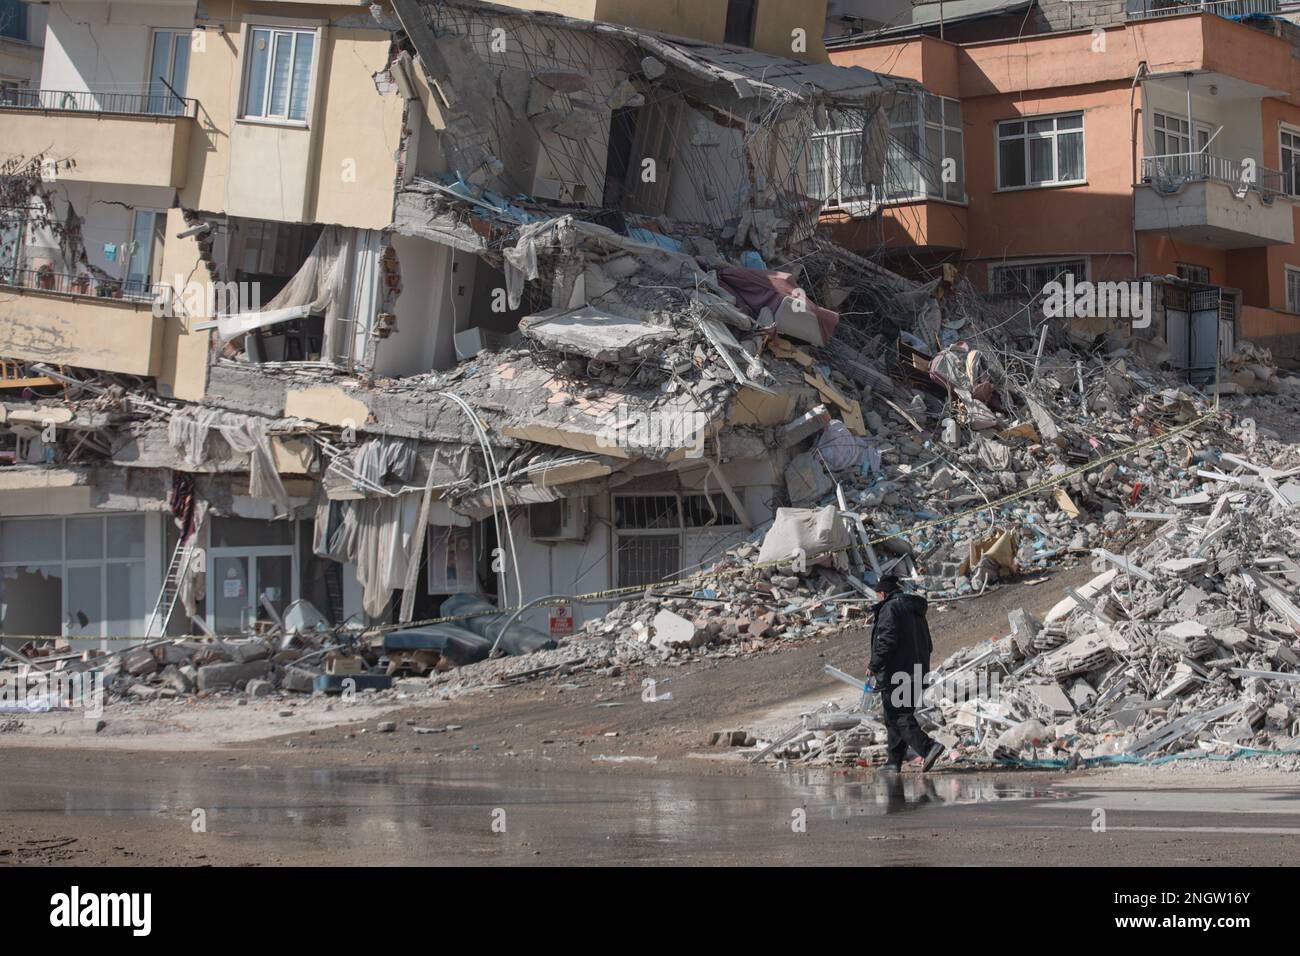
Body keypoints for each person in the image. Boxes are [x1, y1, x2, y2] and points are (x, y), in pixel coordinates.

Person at [866, 573, 945, 773]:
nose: (877, 599)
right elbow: (928, 643)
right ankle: (894, 762)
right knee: (896, 716)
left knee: (898, 715)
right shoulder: (914, 609)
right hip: (917, 670)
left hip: (898, 672)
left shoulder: (890, 609)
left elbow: (886, 641)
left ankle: (929, 748)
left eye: (877, 596)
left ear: (883, 594)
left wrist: (874, 665)